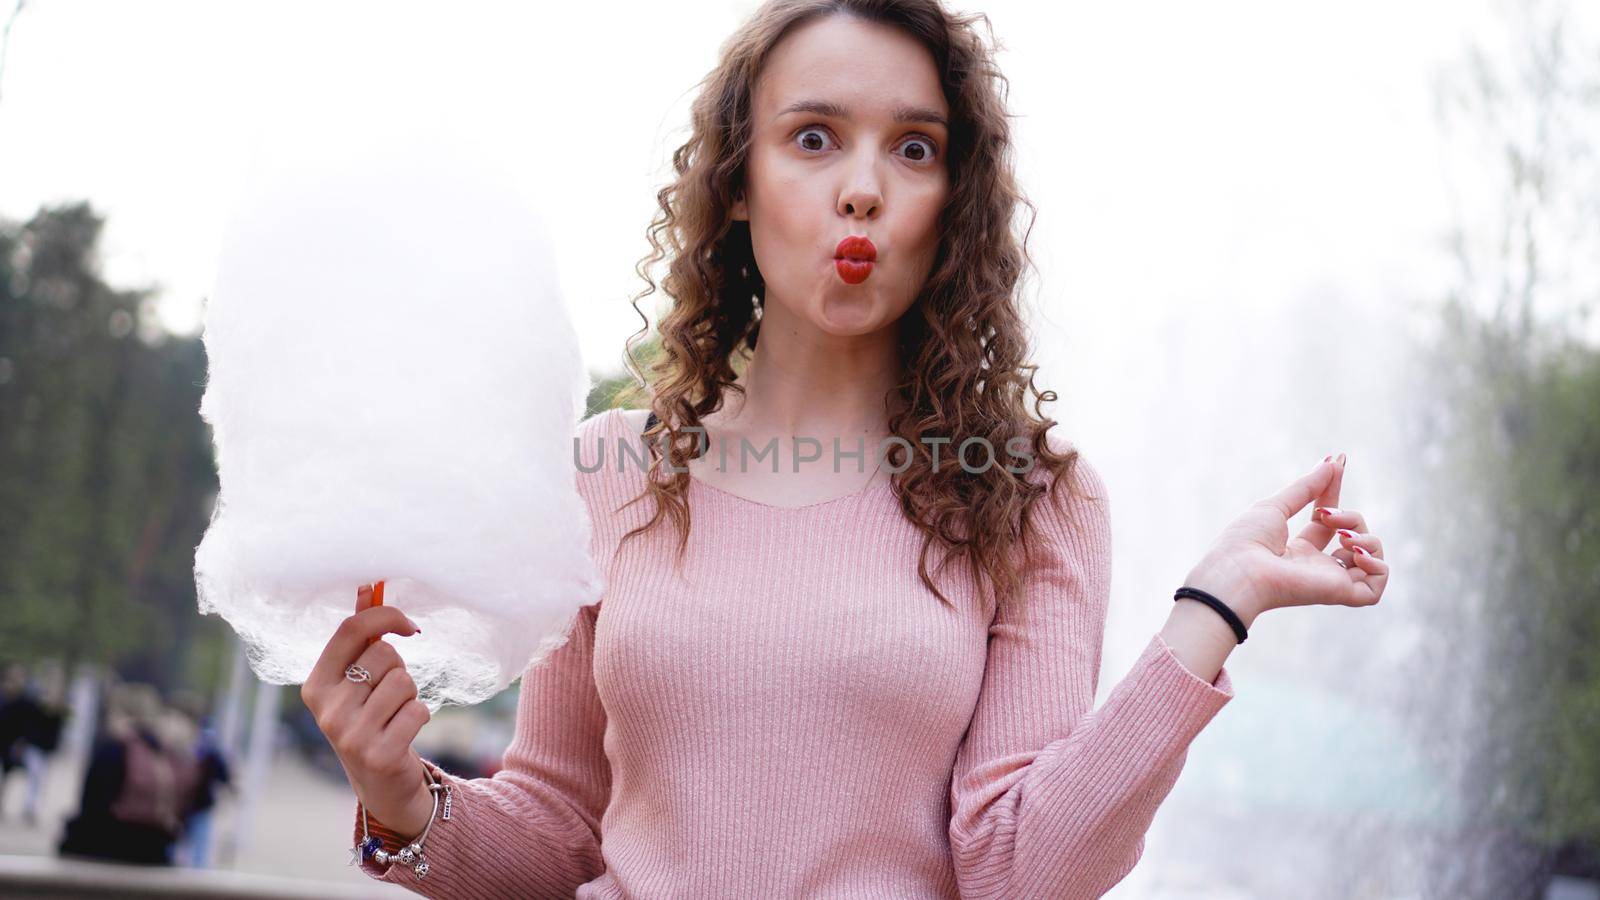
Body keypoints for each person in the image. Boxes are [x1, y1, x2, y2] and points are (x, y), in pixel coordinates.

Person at [300, 1, 1392, 896]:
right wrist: (403, 795)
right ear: (736, 183)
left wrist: (1212, 608)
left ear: (951, 204)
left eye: (912, 148)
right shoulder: (611, 472)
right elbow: (557, 830)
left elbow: (1024, 869)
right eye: (813, 137)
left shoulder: (1028, 498)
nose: (861, 185)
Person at [57, 683, 202, 866]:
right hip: (155, 852)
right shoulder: (169, 755)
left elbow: (91, 805)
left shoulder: (114, 749)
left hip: (105, 851)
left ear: (121, 714)